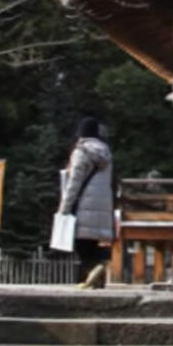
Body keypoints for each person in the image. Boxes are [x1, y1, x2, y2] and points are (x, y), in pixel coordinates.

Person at [58, 116, 116, 288]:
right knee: (91, 242)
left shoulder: (81, 152)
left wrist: (64, 208)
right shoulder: (106, 152)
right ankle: (96, 279)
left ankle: (94, 269)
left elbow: (74, 183)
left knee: (81, 244)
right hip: (102, 205)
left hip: (84, 204)